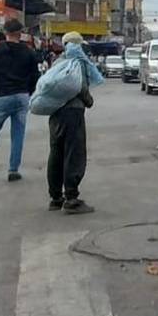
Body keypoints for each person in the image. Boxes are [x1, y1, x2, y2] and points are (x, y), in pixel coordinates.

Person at [0, 19, 40, 183]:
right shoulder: (29, 51)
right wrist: (28, 92)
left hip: (2, 96)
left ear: (5, 32)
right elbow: (35, 76)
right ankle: (13, 171)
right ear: (20, 33)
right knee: (18, 135)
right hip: (22, 96)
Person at [46, 32, 104, 214]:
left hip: (55, 114)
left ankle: (56, 198)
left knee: (56, 153)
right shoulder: (76, 62)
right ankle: (71, 198)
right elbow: (80, 86)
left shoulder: (57, 61)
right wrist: (89, 101)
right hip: (73, 113)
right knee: (74, 154)